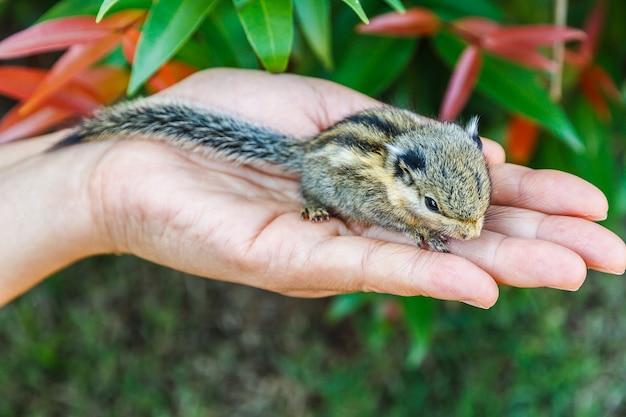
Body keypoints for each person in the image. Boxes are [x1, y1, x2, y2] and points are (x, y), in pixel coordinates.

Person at [0, 68, 624, 309]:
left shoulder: (448, 157)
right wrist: (416, 227)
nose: (471, 228)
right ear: (405, 175)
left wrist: (95, 195)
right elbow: (394, 207)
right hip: (326, 168)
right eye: (443, 213)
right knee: (344, 192)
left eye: (475, 212)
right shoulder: (385, 180)